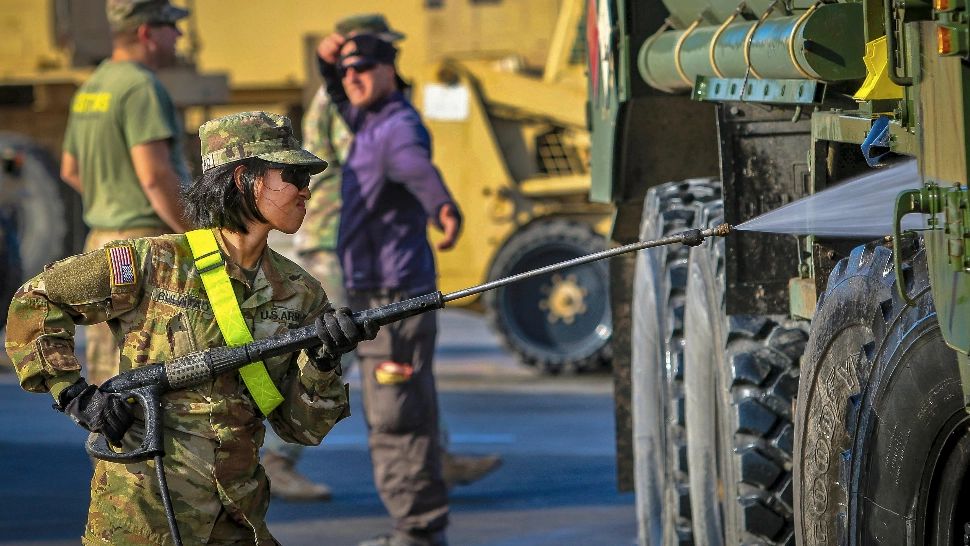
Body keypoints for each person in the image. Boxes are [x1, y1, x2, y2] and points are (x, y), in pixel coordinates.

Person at [6, 110, 376, 544]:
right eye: (292, 175)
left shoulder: (301, 293)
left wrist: (324, 361)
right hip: (143, 511)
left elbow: (302, 429)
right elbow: (37, 299)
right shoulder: (154, 262)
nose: (306, 190)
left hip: (236, 515)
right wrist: (73, 395)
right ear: (245, 178)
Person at [317, 30, 499, 546]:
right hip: (380, 292)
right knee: (398, 413)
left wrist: (441, 205)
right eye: (347, 69)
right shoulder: (368, 118)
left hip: (393, 300)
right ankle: (416, 528)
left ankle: (418, 532)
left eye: (363, 68)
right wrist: (326, 63)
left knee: (399, 419)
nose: (352, 76)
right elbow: (340, 93)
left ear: (390, 72)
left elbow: (416, 167)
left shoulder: (395, 127)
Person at [60, 0, 194, 387]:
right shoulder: (141, 87)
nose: (179, 35)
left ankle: (111, 449)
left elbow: (71, 170)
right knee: (150, 368)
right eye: (171, 26)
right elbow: (155, 177)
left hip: (100, 243)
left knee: (108, 374)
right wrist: (201, 237)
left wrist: (113, 200)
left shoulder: (91, 87)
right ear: (146, 33)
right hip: (144, 247)